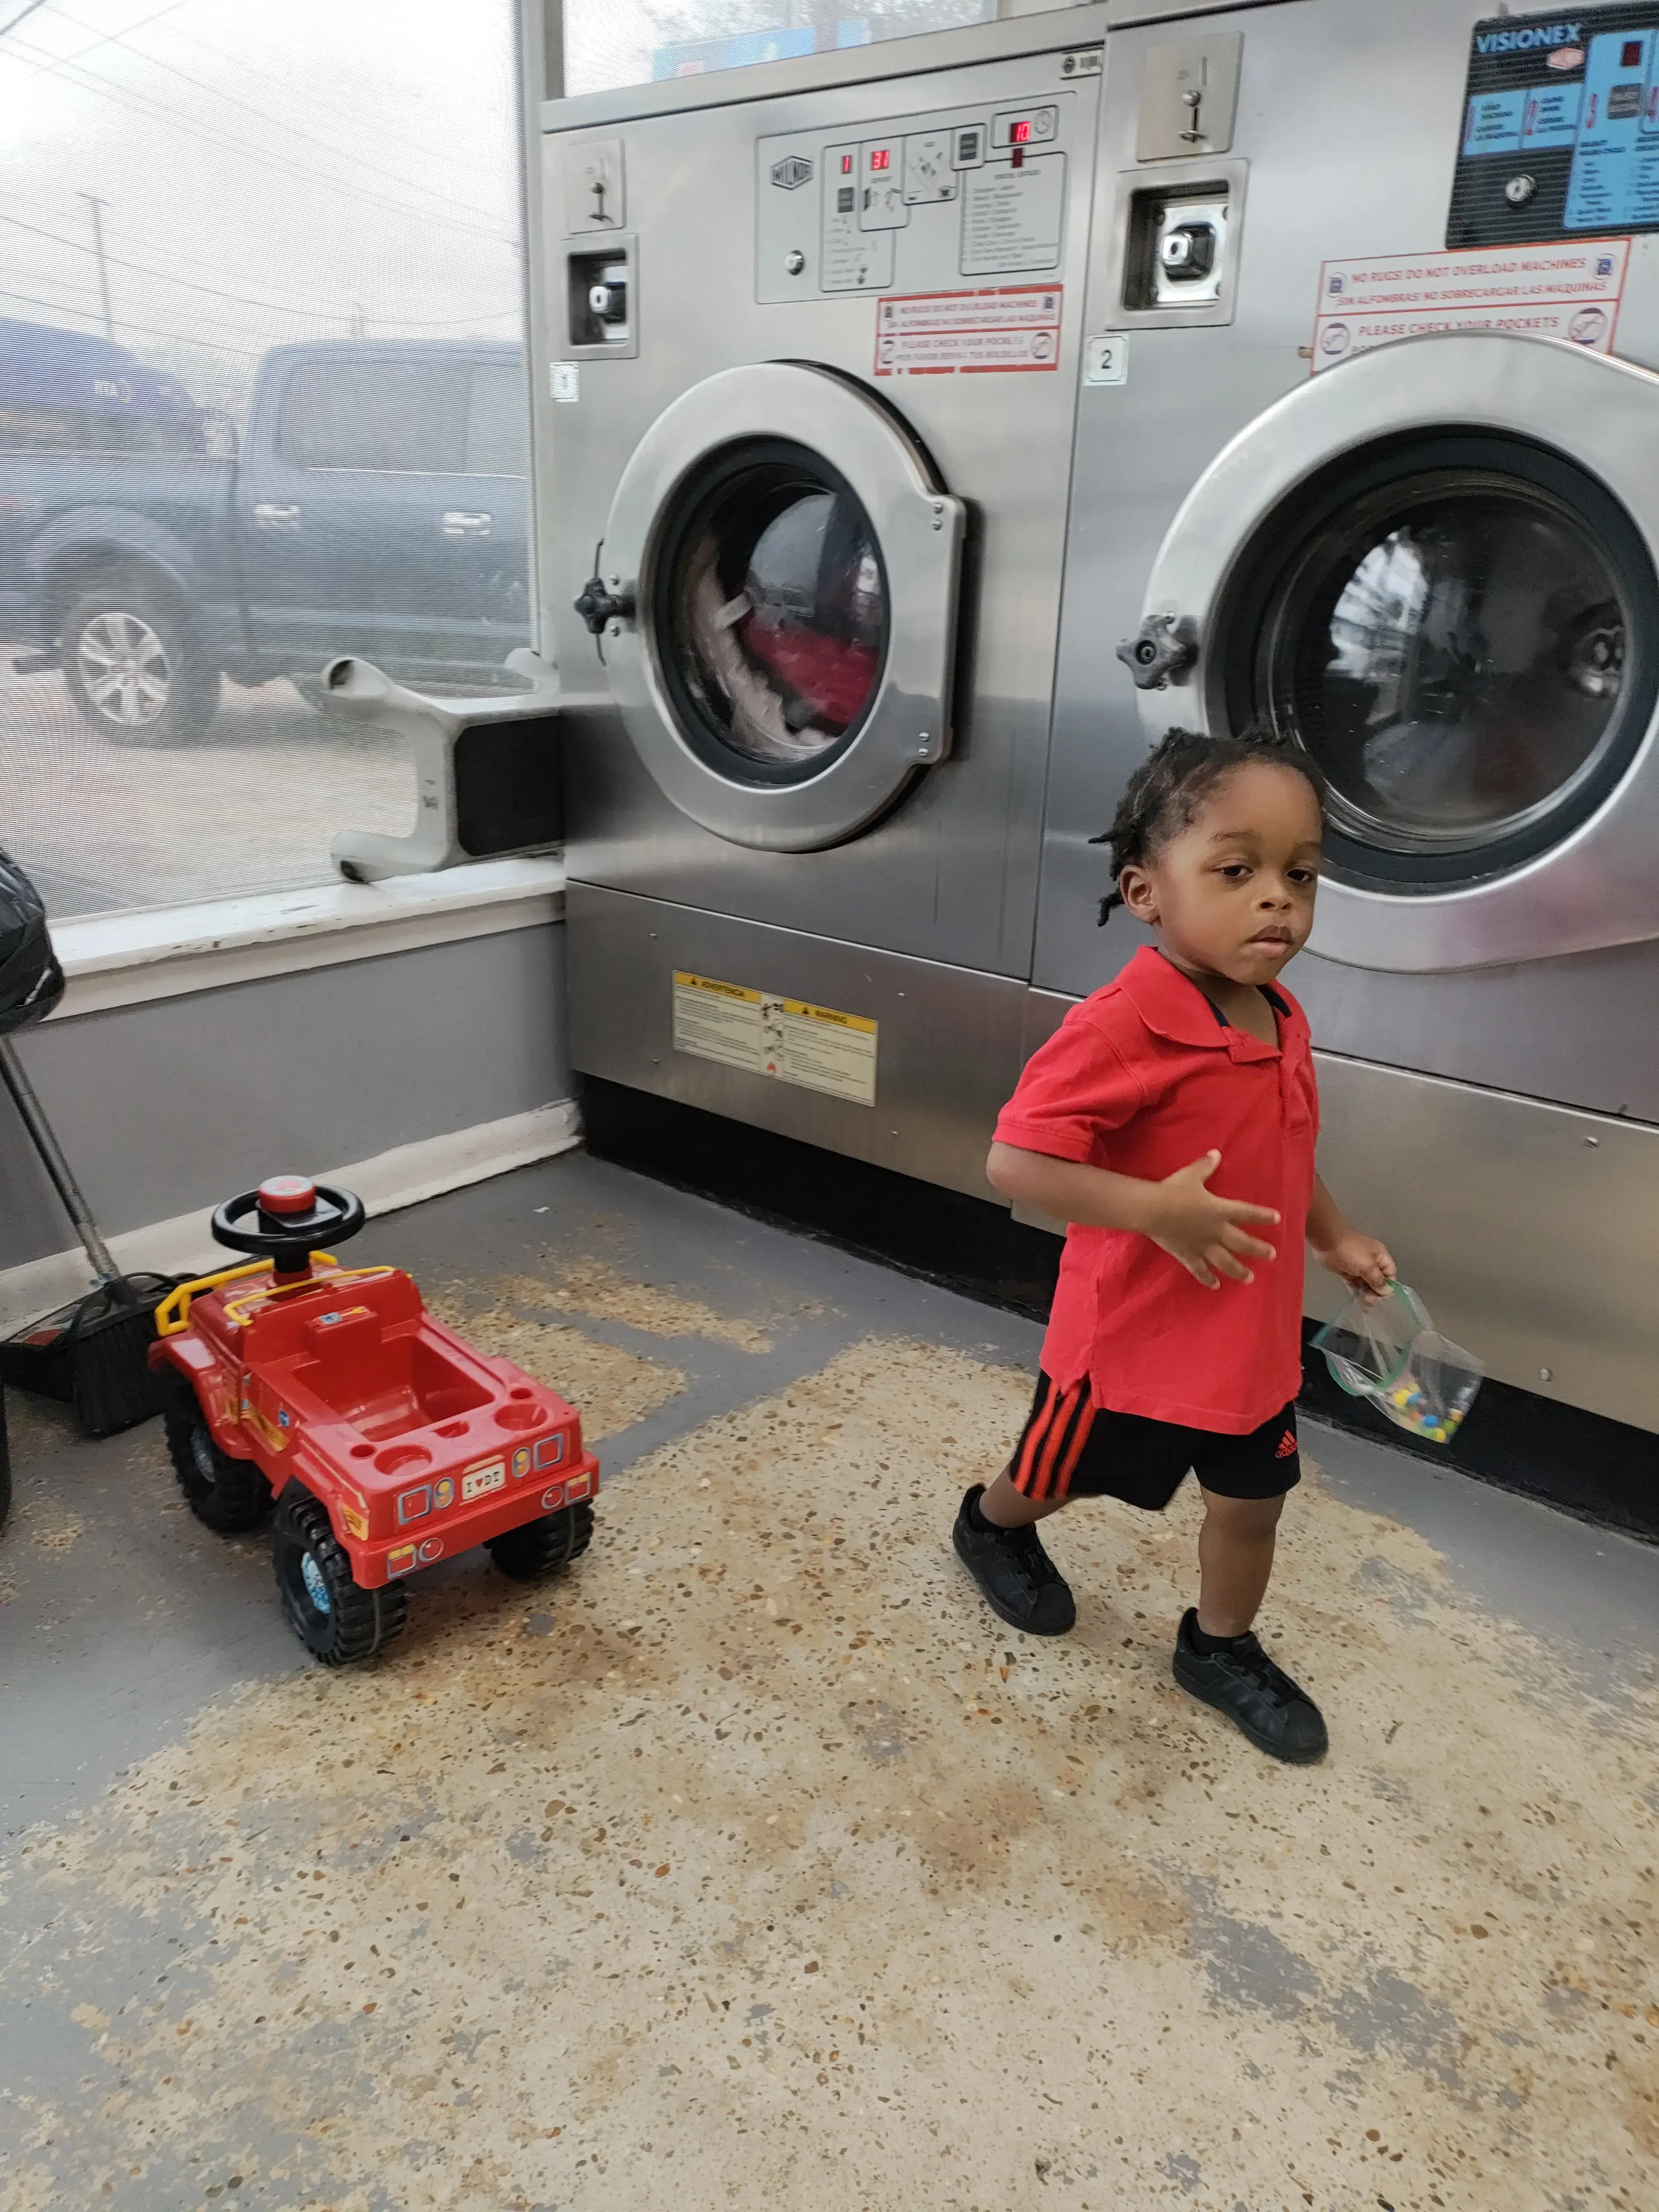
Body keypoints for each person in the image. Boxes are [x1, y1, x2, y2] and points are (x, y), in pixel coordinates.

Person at [952, 725, 1395, 1763]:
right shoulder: (1120, 1027)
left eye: (1301, 872)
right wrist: (1155, 1209)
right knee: (1054, 1472)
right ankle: (992, 1523)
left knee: (1253, 1506)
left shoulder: (1281, 1017)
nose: (1278, 897)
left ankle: (1217, 1643)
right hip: (1130, 1349)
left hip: (1248, 1352)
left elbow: (1288, 1152)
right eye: (1236, 870)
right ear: (1147, 890)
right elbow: (1014, 1162)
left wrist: (1334, 1235)